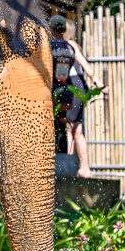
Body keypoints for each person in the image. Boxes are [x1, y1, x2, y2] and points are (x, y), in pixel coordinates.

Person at [49, 14, 104, 178]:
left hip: (57, 89)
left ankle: (55, 166)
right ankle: (83, 167)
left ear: (50, 29)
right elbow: (83, 65)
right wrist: (97, 82)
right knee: (76, 129)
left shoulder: (49, 46)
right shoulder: (69, 46)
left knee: (55, 128)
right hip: (72, 89)